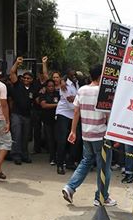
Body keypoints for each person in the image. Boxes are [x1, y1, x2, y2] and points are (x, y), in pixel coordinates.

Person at [62, 65, 116, 207]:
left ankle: (70, 187)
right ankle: (101, 197)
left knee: (86, 162)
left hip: (86, 134)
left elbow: (76, 112)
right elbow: (108, 115)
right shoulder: (103, 92)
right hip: (100, 135)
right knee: (104, 167)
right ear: (100, 76)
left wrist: (73, 131)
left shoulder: (82, 90)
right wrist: (113, 135)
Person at [8, 57, 38, 165]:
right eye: (24, 78)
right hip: (16, 114)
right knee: (17, 135)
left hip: (27, 115)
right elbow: (12, 72)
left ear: (31, 80)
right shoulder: (17, 85)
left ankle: (25, 155)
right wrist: (17, 62)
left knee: (26, 136)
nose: (26, 79)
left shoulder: (33, 88)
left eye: (28, 78)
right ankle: (16, 155)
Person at [55, 69, 79, 175]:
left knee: (75, 139)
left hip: (74, 114)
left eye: (75, 74)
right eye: (72, 74)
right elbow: (70, 102)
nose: (74, 76)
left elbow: (74, 99)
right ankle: (60, 165)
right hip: (64, 113)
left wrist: (76, 98)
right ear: (68, 76)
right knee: (62, 140)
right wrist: (78, 100)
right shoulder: (64, 85)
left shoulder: (77, 83)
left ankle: (70, 162)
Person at [39, 79, 59, 165]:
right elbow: (44, 105)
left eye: (52, 86)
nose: (51, 88)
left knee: (57, 139)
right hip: (47, 120)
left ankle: (58, 157)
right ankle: (52, 158)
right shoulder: (43, 94)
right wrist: (56, 105)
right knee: (50, 140)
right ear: (46, 87)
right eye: (49, 86)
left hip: (57, 120)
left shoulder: (58, 94)